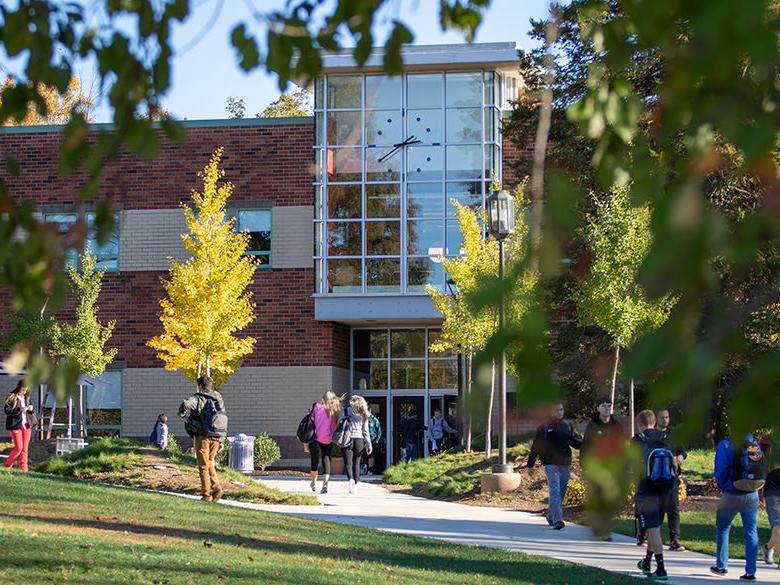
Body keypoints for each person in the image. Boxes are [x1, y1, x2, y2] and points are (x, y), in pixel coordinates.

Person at [710, 431, 764, 580]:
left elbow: (720, 471)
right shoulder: (754, 444)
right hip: (752, 493)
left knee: (723, 528)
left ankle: (721, 566)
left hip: (731, 493)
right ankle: (751, 571)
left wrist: (724, 486)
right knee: (751, 532)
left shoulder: (726, 444)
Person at [634, 409, 676, 581]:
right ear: (654, 421)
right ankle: (646, 561)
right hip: (666, 489)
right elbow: (674, 464)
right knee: (655, 528)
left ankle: (661, 569)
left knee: (652, 529)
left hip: (647, 490)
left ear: (641, 424)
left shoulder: (637, 440)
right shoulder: (666, 438)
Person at [526, 402, 583, 530]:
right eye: (556, 410)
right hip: (550, 464)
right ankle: (558, 520)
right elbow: (536, 446)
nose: (559, 412)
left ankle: (551, 515)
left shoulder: (567, 426)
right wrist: (530, 465)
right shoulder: (544, 427)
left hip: (565, 463)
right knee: (555, 491)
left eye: (561, 409)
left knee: (561, 492)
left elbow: (576, 443)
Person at [580, 396, 625, 540]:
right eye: (604, 405)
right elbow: (585, 447)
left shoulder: (617, 426)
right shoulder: (592, 426)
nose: (607, 408)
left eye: (609, 405)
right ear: (598, 408)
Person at [179, 376, 227, 502]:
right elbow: (221, 416)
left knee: (203, 466)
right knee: (210, 462)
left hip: (203, 436)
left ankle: (206, 495)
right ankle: (217, 488)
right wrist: (222, 440)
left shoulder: (198, 397)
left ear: (199, 386)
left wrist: (182, 414)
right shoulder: (218, 397)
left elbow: (186, 404)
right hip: (217, 436)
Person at [656, 409, 687, 551]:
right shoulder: (652, 435)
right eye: (662, 418)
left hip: (671, 476)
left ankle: (674, 539)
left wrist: (679, 458)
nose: (665, 420)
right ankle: (649, 535)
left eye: (667, 417)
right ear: (656, 419)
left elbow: (683, 452)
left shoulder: (673, 434)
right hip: (655, 478)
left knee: (673, 508)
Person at [309, 390, 342, 494]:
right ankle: (325, 485)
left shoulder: (316, 407)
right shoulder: (333, 411)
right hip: (327, 439)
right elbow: (333, 427)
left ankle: (313, 483)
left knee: (314, 460)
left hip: (314, 438)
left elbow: (310, 419)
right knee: (326, 460)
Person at [339, 395, 372, 494]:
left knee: (348, 463)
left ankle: (351, 480)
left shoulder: (346, 411)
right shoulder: (364, 413)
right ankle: (356, 485)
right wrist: (368, 444)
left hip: (347, 438)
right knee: (356, 463)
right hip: (359, 440)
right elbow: (365, 431)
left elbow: (340, 424)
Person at [759, 434, 780, 568]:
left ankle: (768, 547)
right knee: (777, 525)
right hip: (772, 491)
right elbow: (760, 469)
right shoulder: (766, 443)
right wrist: (759, 492)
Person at [3, 381, 34, 472]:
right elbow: (7, 411)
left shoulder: (27, 397)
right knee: (18, 448)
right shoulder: (11, 397)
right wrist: (20, 409)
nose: (24, 392)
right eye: (23, 389)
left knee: (25, 449)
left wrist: (30, 409)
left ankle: (24, 468)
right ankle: (7, 465)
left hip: (26, 425)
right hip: (15, 426)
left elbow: (31, 411)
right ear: (19, 387)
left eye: (26, 390)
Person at [362, 406, 382, 475]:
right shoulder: (362, 419)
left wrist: (376, 440)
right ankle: (364, 468)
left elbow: (379, 431)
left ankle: (370, 470)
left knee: (371, 456)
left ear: (369, 410)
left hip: (372, 441)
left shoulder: (374, 420)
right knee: (363, 455)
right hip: (363, 441)